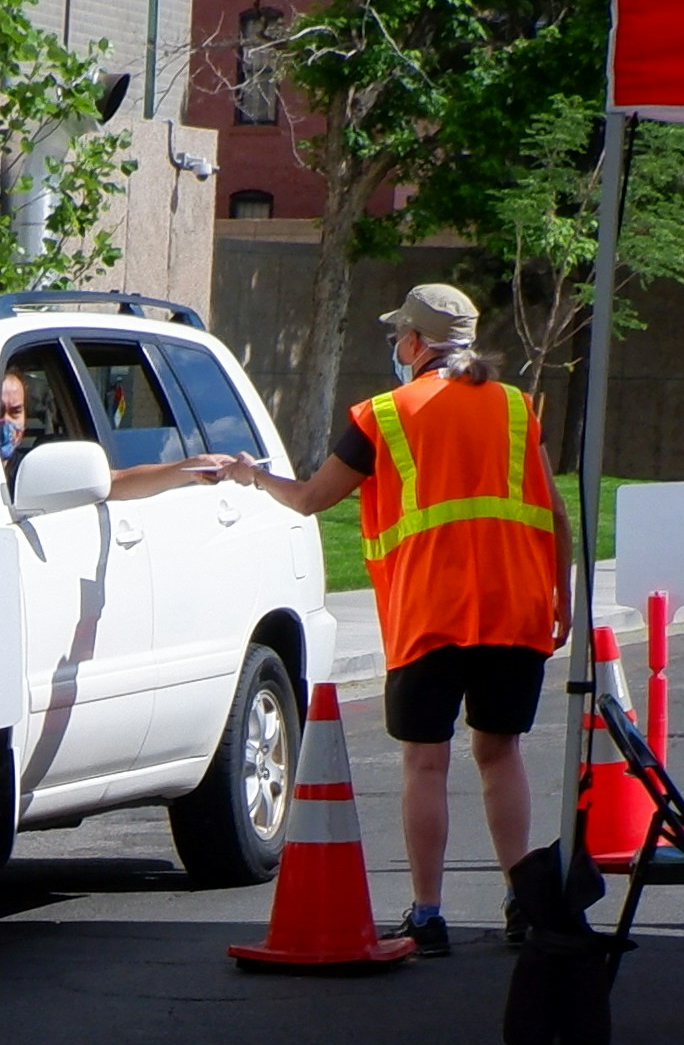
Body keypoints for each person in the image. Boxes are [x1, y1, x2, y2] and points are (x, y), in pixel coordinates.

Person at [210, 283, 568, 955]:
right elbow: (555, 513)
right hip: (515, 608)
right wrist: (565, 597)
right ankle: (523, 898)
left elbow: (313, 497)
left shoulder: (384, 414)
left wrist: (253, 475)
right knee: (500, 753)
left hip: (430, 612)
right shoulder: (518, 409)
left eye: (397, 338)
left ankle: (429, 913)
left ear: (413, 343)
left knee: (425, 763)